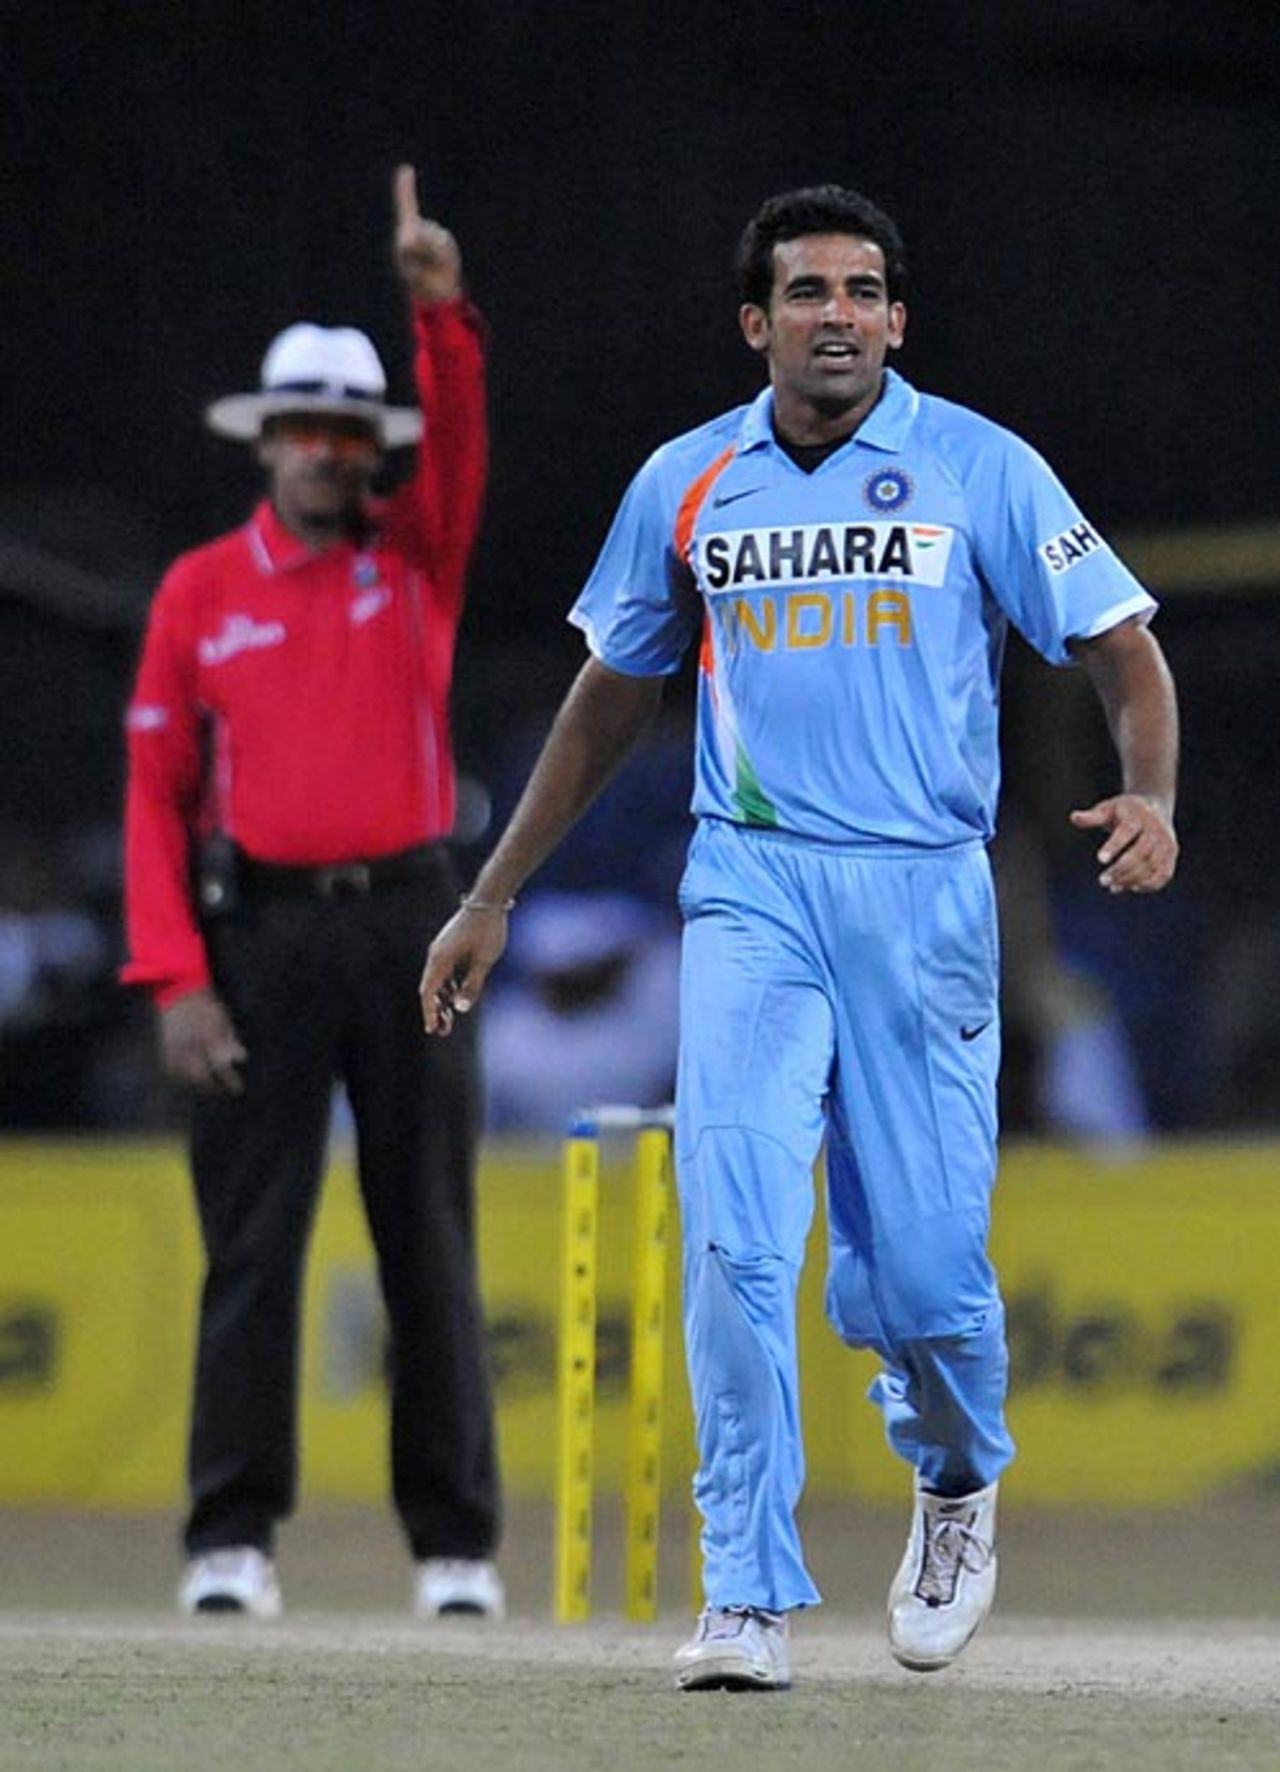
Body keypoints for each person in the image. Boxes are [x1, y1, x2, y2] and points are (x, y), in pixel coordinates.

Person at [419, 185, 1179, 1689]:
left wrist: (1148, 793)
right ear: (756, 323)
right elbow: (610, 698)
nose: (838, 312)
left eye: (864, 289)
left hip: (925, 900)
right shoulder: (689, 480)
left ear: (898, 319)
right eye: (806, 290)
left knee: (925, 1278)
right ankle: (747, 1593)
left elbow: (1125, 653)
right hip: (753, 888)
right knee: (736, 1237)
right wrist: (491, 892)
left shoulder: (981, 468)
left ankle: (956, 1479)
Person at [123, 166, 503, 1621]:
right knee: (254, 1245)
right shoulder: (199, 593)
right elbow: (153, 801)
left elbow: (459, 437)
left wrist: (437, 312)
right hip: (259, 932)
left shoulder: (418, 558)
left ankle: (455, 1546)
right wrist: (174, 977)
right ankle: (231, 1539)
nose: (327, 455)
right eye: (305, 431)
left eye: (351, 433)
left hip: (415, 923)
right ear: (269, 443)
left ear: (368, 450)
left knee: (429, 1236)